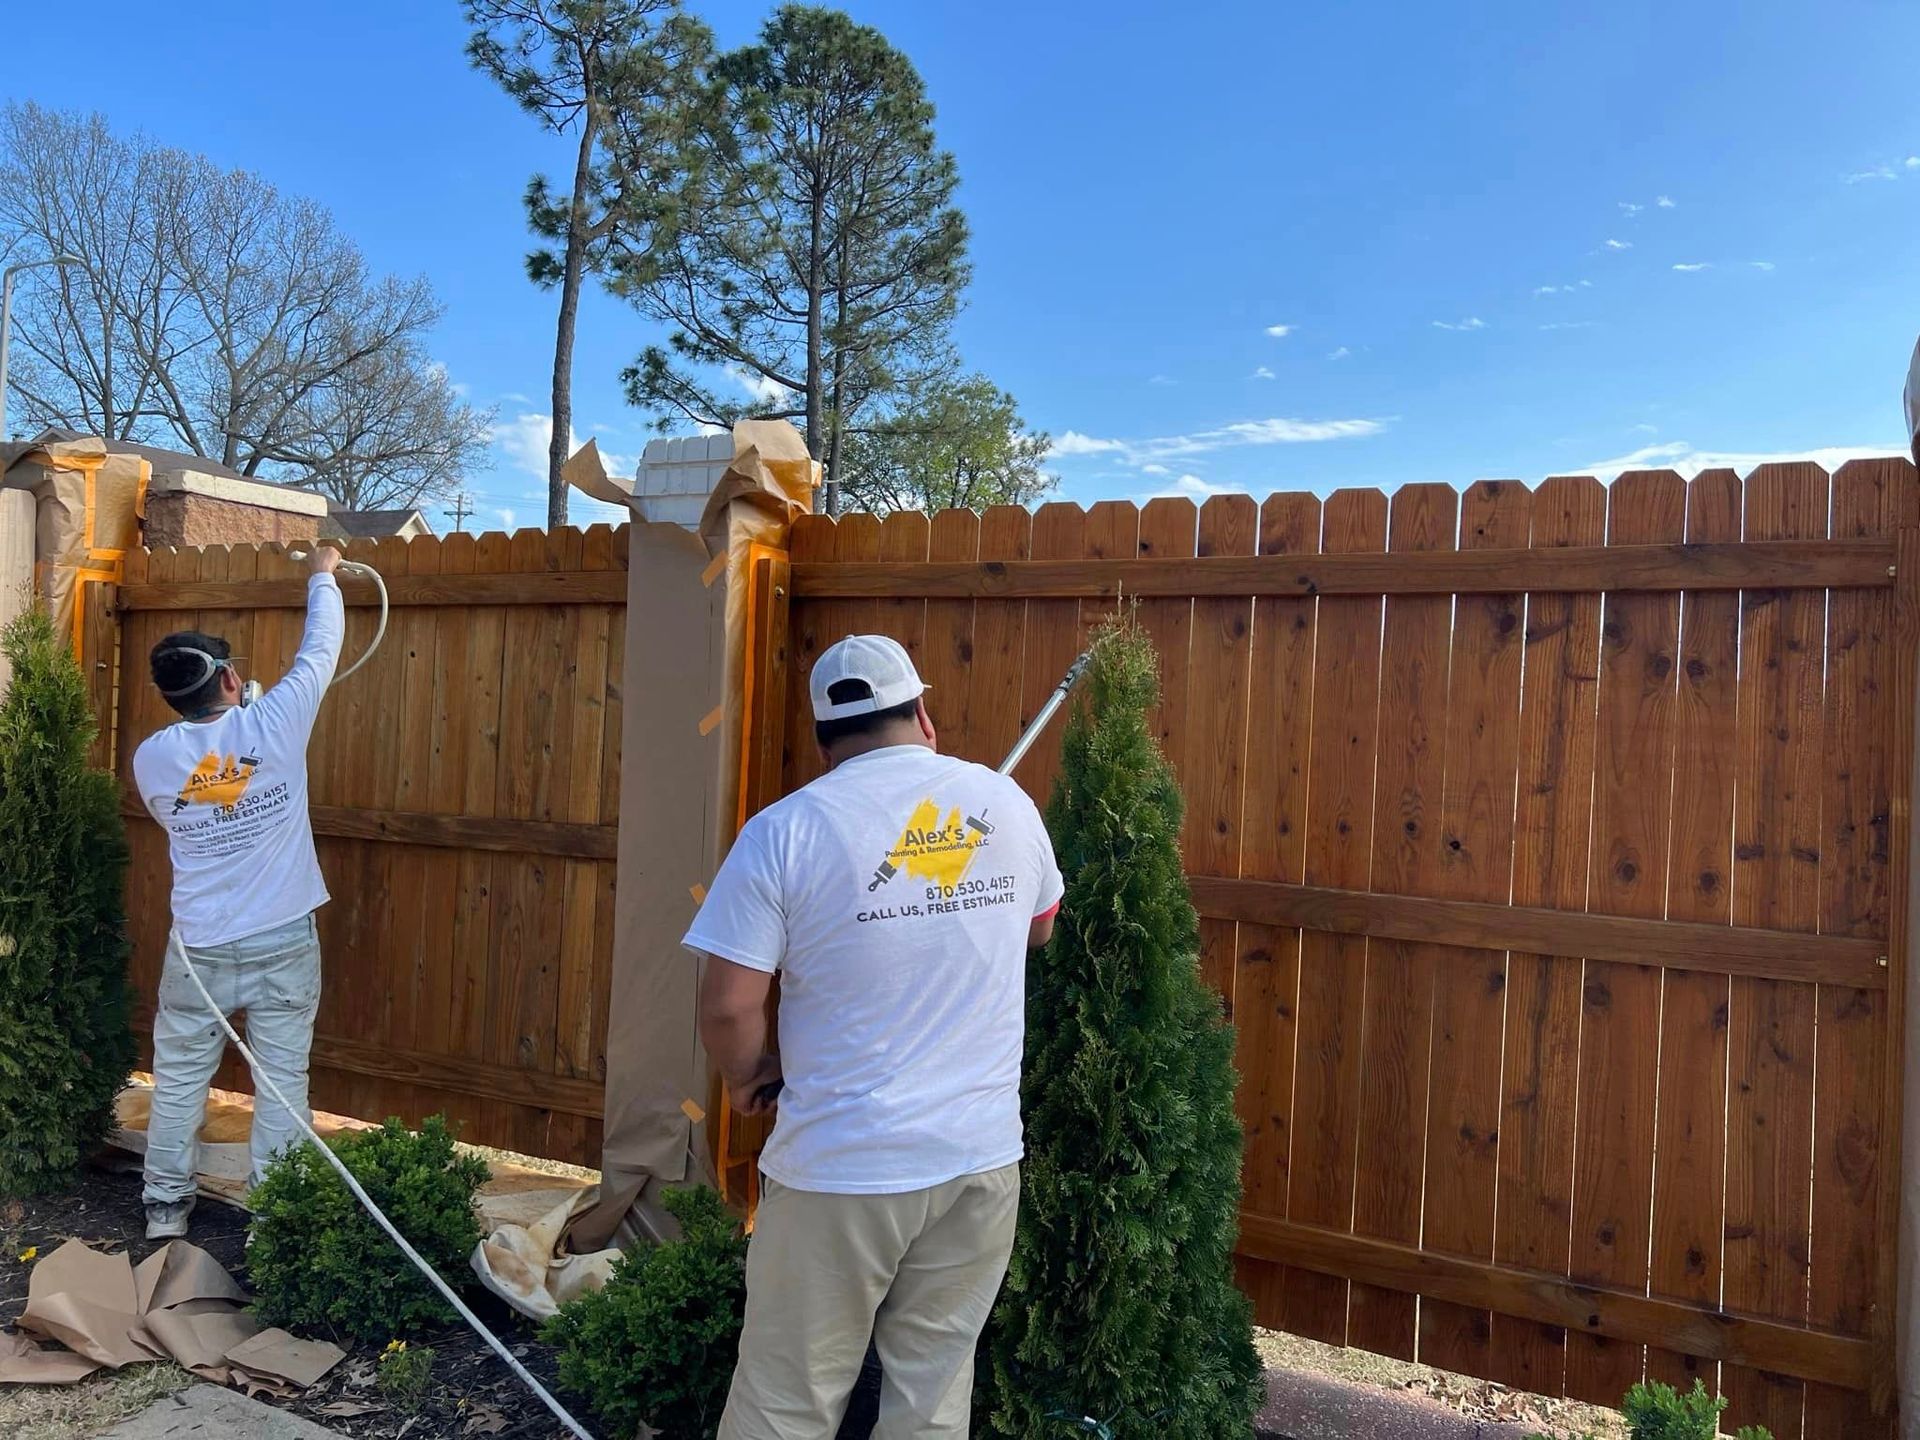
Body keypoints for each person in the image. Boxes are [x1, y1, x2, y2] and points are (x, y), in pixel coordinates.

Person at [687, 633, 1064, 1440]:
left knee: (786, 1402)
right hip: (977, 1162)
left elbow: (726, 1006)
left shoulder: (784, 831)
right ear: (922, 714)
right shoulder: (1003, 805)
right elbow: (1038, 930)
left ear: (825, 738)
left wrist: (750, 1073)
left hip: (841, 1171)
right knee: (931, 1396)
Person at [132, 545, 345, 1240]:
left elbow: (210, 793)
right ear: (228, 677)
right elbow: (321, 647)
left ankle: (164, 1212)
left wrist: (240, 721)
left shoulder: (153, 757)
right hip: (282, 939)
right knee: (281, 1086)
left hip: (200, 948)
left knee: (180, 1080)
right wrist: (322, 572)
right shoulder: (271, 724)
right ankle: (274, 1223)